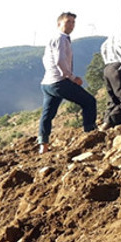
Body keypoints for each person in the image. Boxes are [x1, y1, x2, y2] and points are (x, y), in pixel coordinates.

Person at [37, 12, 97, 153]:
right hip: (59, 82)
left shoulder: (53, 39)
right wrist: (71, 77)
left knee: (47, 114)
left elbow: (46, 60)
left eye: (73, 22)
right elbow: (59, 60)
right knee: (89, 102)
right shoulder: (61, 38)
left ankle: (43, 145)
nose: (71, 25)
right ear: (59, 24)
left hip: (47, 83)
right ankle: (91, 135)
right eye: (68, 22)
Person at [99, 0, 121, 130]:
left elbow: (104, 47)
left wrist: (109, 63)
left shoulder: (116, 29)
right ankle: (110, 124)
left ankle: (104, 130)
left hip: (109, 67)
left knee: (113, 101)